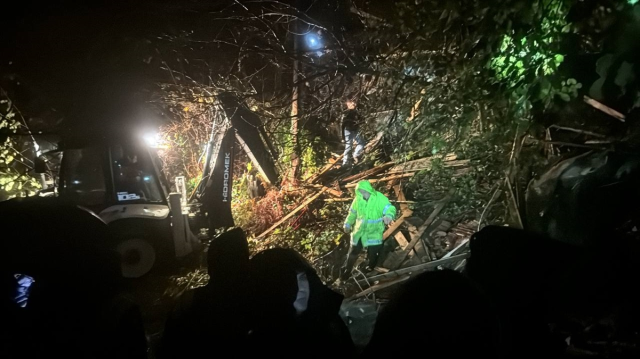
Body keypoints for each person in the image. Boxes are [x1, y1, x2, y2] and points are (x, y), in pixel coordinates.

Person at [340, 180, 396, 280]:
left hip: (374, 232)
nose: (362, 193)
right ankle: (346, 270)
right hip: (359, 232)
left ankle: (369, 268)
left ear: (369, 189)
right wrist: (347, 224)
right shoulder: (357, 200)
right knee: (353, 252)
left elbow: (390, 208)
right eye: (360, 191)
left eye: (364, 191)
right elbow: (352, 214)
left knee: (373, 253)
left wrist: (389, 215)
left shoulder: (379, 198)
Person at [341, 100, 366, 166]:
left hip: (355, 130)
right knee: (349, 146)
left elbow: (362, 120)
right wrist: (343, 137)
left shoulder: (357, 112)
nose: (354, 104)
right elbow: (343, 125)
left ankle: (355, 155)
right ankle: (345, 163)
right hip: (348, 130)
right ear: (348, 104)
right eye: (352, 103)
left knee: (361, 143)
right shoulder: (346, 113)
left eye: (354, 102)